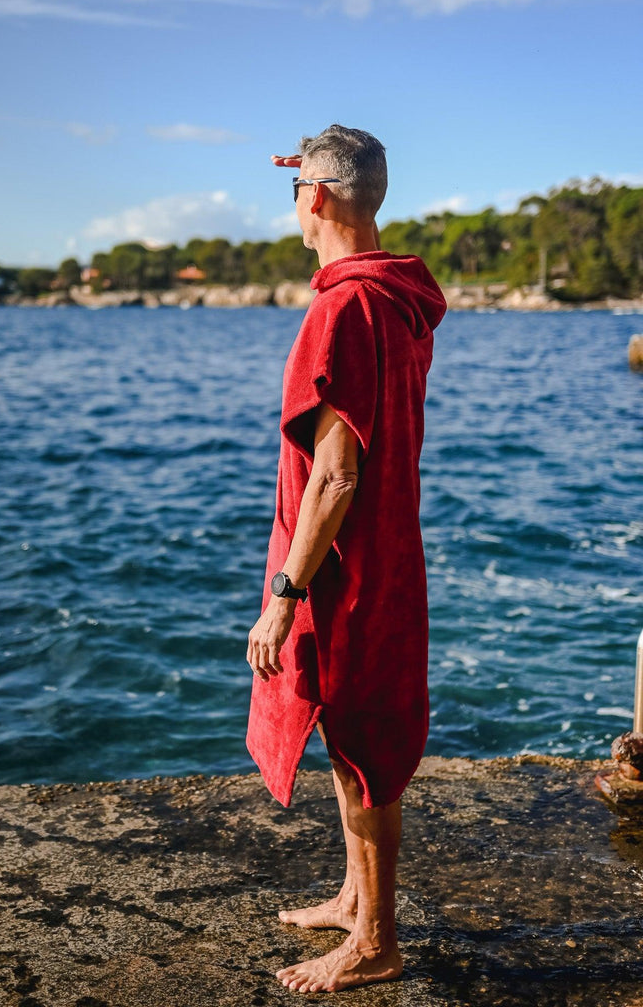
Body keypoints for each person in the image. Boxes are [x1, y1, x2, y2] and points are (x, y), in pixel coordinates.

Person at [246, 124, 447, 994]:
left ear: (317, 197)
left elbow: (335, 474)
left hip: (348, 568)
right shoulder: (397, 297)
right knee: (347, 731)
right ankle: (353, 898)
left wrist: (285, 592)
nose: (294, 203)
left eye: (296, 188)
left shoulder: (343, 306)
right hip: (388, 551)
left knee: (362, 741)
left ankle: (376, 941)